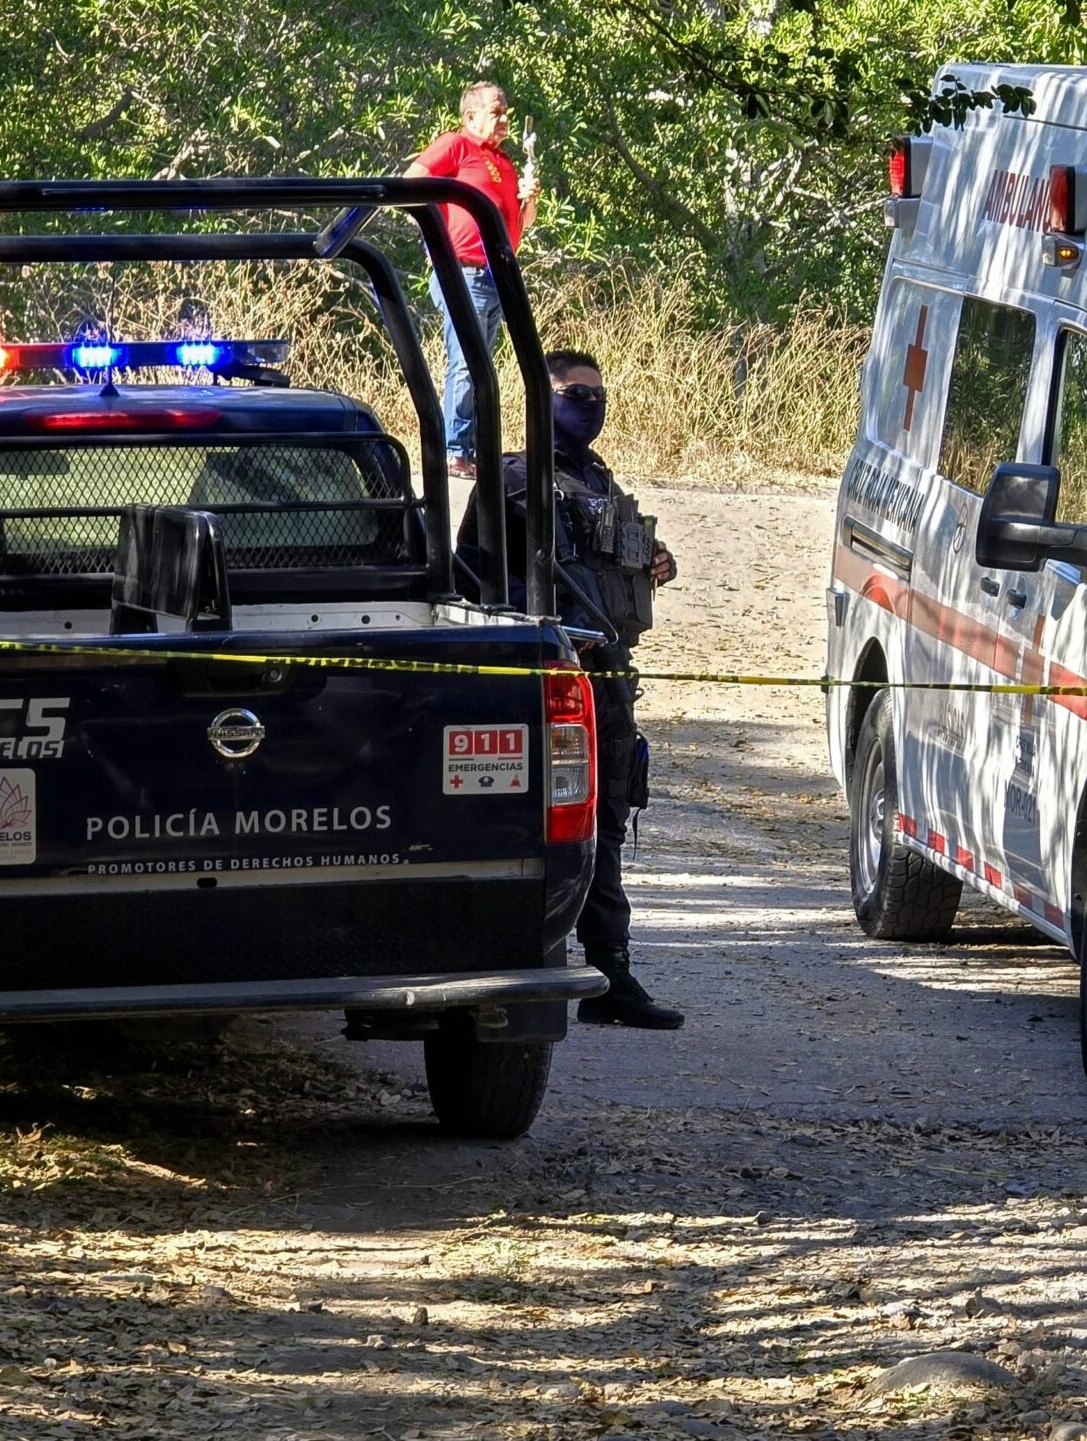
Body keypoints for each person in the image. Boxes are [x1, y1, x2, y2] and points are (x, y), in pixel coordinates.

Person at [464, 349, 684, 1029]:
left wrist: (653, 561)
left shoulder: (596, 480)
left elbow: (614, 563)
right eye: (573, 393)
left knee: (608, 822)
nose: (589, 403)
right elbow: (475, 575)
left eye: (596, 392)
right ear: (543, 397)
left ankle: (610, 972)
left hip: (610, 682)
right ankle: (518, 967)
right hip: (553, 682)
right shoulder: (514, 481)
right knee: (548, 828)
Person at [405, 80, 539, 480]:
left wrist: (529, 199)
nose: (503, 121)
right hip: (462, 270)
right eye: (496, 112)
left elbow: (522, 224)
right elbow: (411, 182)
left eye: (505, 114)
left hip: (499, 273)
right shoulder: (456, 146)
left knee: (482, 364)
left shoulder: (504, 162)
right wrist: (436, 236)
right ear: (470, 116)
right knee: (466, 361)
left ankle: (474, 450)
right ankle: (452, 451)